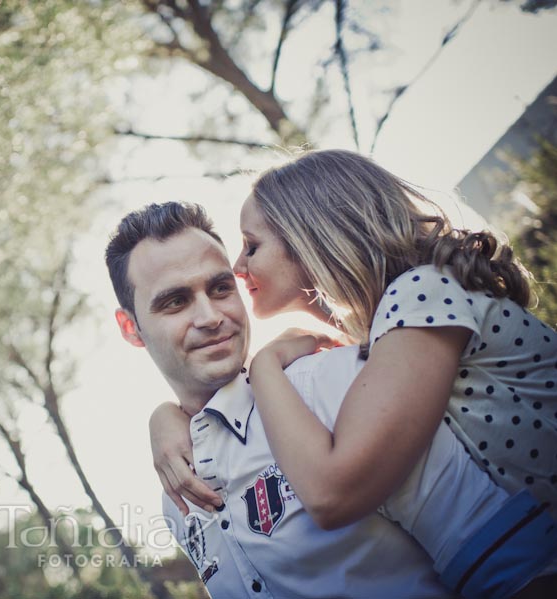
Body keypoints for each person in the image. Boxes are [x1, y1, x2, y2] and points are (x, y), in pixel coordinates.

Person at [105, 201, 557, 598]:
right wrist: (164, 416)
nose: (210, 317)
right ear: (131, 329)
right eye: (175, 302)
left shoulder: (334, 384)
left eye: (221, 288)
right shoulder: (175, 494)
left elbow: (509, 562)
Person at [151, 150, 556, 531]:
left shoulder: (422, 295)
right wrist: (167, 416)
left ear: (311, 236)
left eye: (252, 246)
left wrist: (264, 365)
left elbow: (332, 492)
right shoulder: (384, 333)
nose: (238, 267)